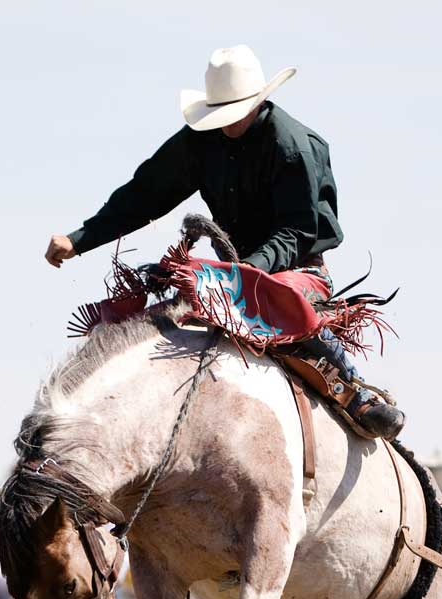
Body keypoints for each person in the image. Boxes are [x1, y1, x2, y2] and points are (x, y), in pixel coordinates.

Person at [44, 45, 402, 440]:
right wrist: (79, 240)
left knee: (282, 300)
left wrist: (246, 271)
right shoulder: (200, 141)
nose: (226, 124)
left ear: (257, 102)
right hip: (228, 279)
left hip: (295, 273)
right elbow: (144, 194)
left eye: (234, 114)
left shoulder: (294, 148)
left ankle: (354, 390)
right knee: (145, 305)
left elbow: (297, 232)